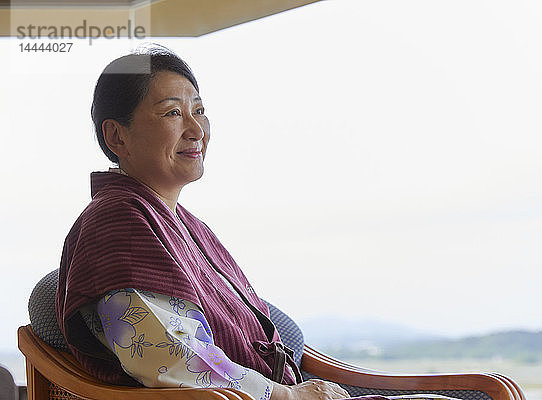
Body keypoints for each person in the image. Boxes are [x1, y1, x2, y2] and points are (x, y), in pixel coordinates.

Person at [56, 46, 457, 400]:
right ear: (117, 137)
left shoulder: (180, 223)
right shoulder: (117, 221)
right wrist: (289, 396)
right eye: (173, 113)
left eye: (199, 110)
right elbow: (171, 361)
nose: (196, 129)